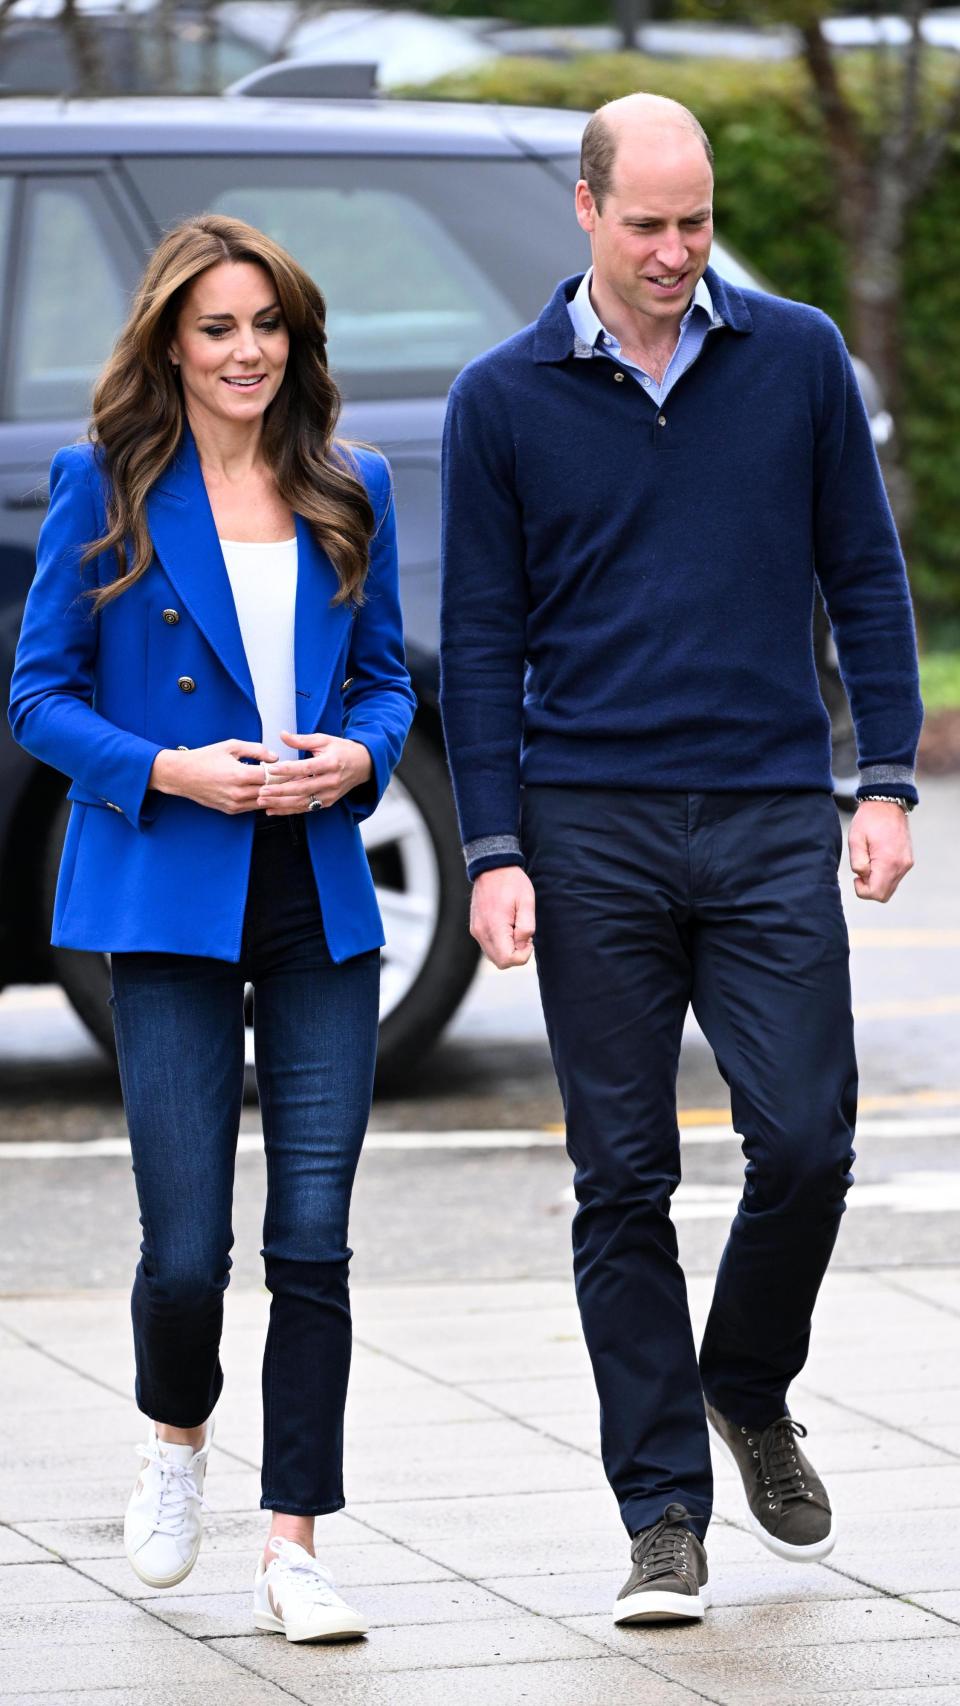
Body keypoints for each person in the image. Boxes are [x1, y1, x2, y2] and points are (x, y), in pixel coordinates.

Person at [439, 94, 921, 1626]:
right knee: (622, 1176)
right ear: (584, 210)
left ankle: (746, 1378)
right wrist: (496, 846)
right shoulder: (500, 398)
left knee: (808, 1143)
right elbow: (484, 639)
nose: (673, 250)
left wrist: (890, 777)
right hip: (591, 824)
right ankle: (663, 1513)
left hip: (775, 806)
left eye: (694, 221)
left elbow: (865, 570)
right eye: (644, 223)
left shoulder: (794, 364)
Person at [9, 214, 415, 1642]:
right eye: (219, 328)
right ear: (172, 345)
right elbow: (37, 699)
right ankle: (175, 1436)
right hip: (168, 897)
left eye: (270, 327)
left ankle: (295, 1542)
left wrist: (356, 761)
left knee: (314, 1238)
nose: (248, 352)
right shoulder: (104, 484)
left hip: (317, 897)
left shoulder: (348, 488)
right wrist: (168, 769)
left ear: (298, 341)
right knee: (186, 1249)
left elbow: (385, 688)